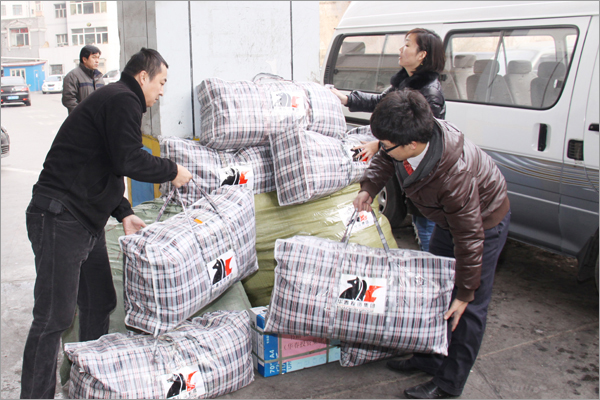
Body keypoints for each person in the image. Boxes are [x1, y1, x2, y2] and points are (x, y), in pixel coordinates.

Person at [20, 48, 193, 399]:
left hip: (84, 220)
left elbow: (106, 164)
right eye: (160, 82)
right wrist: (172, 170)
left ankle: (88, 384)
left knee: (99, 301)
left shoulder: (117, 98)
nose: (162, 91)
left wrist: (124, 212)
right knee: (54, 317)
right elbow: (128, 160)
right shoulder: (123, 99)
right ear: (142, 77)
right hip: (60, 216)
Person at [353, 89, 510, 399]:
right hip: (449, 220)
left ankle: (449, 383)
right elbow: (386, 158)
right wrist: (369, 188)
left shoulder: (454, 176)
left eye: (386, 144)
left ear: (412, 145)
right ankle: (430, 357)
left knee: (466, 307)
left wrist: (466, 291)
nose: (382, 148)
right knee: (436, 288)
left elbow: (469, 238)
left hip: (483, 224)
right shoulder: (408, 139)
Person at [331, 28, 445, 252]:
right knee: (421, 222)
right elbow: (382, 102)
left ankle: (433, 266)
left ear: (422, 55)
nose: (401, 49)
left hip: (426, 175)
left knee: (427, 227)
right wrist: (347, 99)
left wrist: (378, 145)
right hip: (412, 173)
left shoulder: (430, 94)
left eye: (407, 45)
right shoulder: (406, 82)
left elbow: (421, 135)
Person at [62, 44, 105, 114]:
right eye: (94, 57)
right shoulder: (73, 76)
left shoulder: (99, 77)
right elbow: (68, 99)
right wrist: (82, 115)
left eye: (98, 58)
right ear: (84, 59)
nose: (97, 61)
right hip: (80, 118)